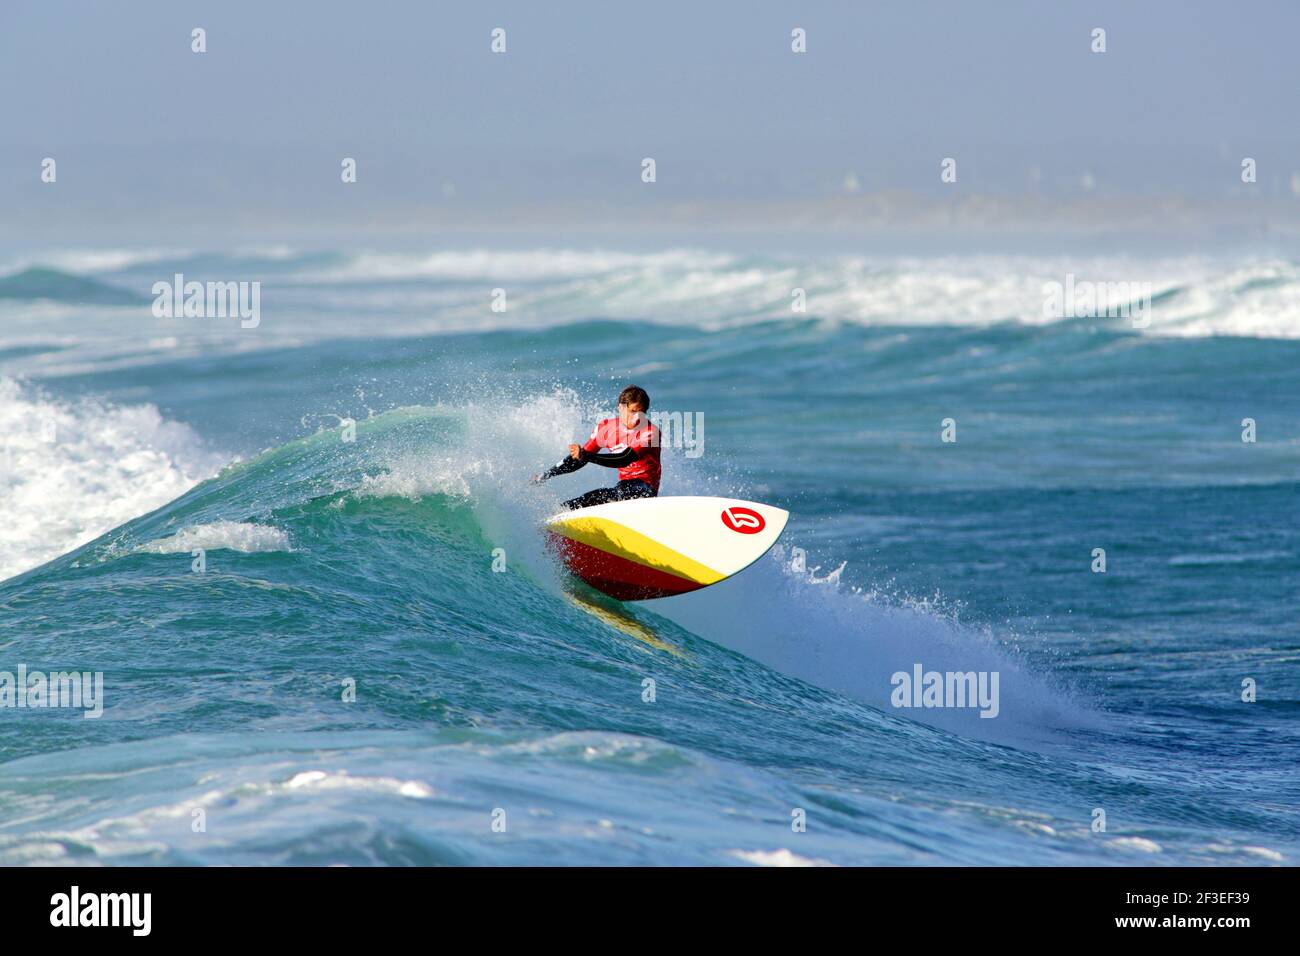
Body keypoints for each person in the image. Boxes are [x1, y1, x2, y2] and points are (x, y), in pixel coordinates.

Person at [534, 385, 661, 510]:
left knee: (608, 496)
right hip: (622, 487)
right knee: (579, 503)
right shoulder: (606, 428)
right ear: (621, 408)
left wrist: (586, 456)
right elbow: (578, 460)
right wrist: (545, 475)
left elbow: (624, 458)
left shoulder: (650, 432)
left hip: (645, 489)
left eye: (641, 412)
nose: (637, 417)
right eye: (633, 411)